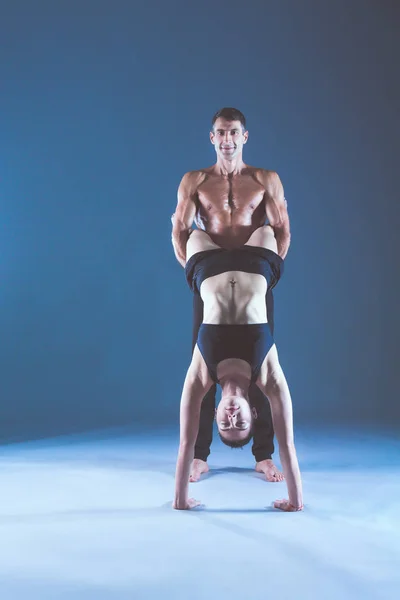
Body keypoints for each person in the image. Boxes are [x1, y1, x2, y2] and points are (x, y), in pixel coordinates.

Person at [171, 107, 290, 482]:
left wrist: (268, 274)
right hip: (211, 277)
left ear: (244, 136)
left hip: (254, 273)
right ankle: (199, 454)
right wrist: (197, 276)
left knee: (262, 366)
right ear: (212, 137)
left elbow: (281, 227)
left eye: (233, 132)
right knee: (204, 366)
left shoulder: (264, 178)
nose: (227, 140)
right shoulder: (195, 180)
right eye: (221, 133)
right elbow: (180, 229)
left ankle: (264, 454)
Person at [173, 225, 303, 511]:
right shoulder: (269, 376)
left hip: (207, 266)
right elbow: (288, 445)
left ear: (215, 412)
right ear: (254, 412)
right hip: (257, 264)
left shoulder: (200, 374)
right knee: (266, 224)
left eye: (224, 423)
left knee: (195, 227)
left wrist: (180, 501)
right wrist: (295, 501)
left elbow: (185, 443)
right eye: (241, 423)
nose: (232, 418)